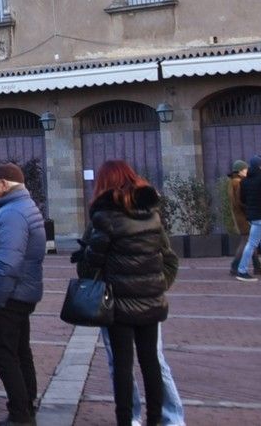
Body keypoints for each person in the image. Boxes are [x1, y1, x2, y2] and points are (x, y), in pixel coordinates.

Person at [74, 159, 179, 426]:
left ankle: (127, 420)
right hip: (151, 302)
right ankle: (156, 420)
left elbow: (92, 265)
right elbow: (169, 259)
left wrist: (84, 257)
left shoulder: (105, 218)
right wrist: (156, 284)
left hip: (117, 304)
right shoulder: (152, 215)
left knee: (122, 365)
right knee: (151, 362)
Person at [0, 162, 46, 426]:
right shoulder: (22, 207)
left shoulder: (13, 214)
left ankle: (20, 414)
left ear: (4, 184)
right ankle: (26, 405)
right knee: (19, 350)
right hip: (21, 292)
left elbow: (8, 262)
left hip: (10, 296)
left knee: (5, 353)